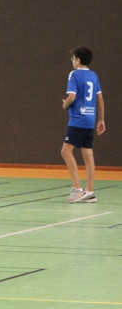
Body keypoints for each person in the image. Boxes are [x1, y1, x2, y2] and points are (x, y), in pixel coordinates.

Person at [61, 46, 105, 203]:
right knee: (88, 154)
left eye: (73, 59)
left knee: (66, 152)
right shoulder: (93, 75)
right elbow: (99, 98)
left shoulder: (74, 74)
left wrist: (65, 105)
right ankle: (90, 191)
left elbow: (71, 96)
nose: (72, 62)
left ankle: (78, 189)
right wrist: (101, 119)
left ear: (78, 60)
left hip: (77, 119)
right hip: (90, 119)